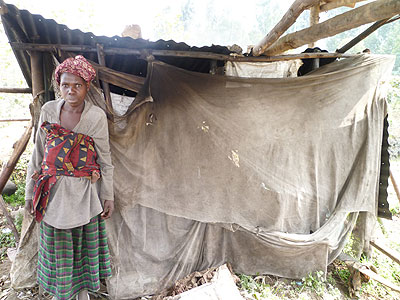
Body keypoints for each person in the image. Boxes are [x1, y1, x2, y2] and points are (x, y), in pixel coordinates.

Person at [24, 55, 114, 300]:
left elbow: (105, 159)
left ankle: (82, 293)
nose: (71, 90)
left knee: (81, 248)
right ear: (58, 86)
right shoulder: (49, 110)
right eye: (65, 85)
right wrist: (30, 193)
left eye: (78, 85)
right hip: (52, 195)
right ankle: (61, 294)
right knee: (58, 249)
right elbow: (39, 153)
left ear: (87, 87)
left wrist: (108, 196)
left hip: (84, 195)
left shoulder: (95, 117)